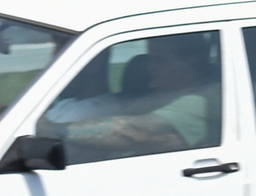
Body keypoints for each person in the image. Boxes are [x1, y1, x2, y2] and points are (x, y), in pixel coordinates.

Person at [46, 42, 217, 160]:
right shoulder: (155, 97)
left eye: (160, 60)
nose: (149, 66)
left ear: (190, 64)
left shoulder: (199, 100)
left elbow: (131, 132)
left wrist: (52, 130)